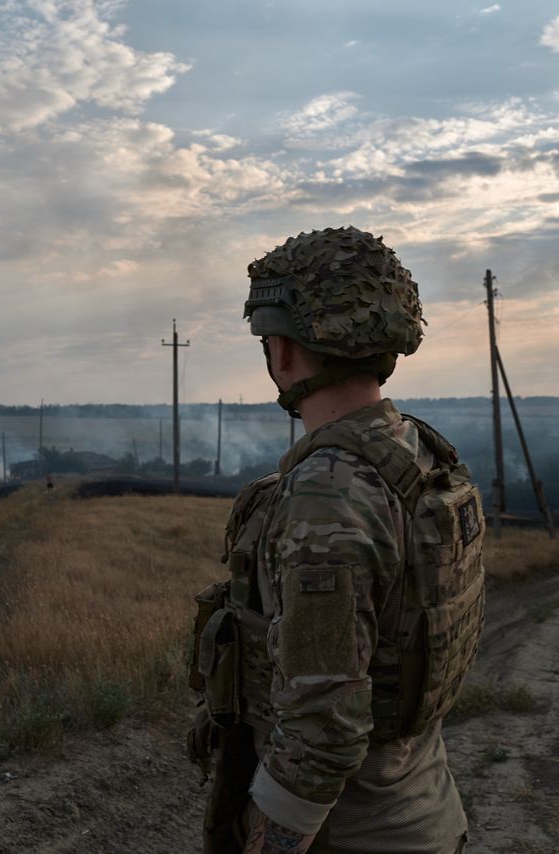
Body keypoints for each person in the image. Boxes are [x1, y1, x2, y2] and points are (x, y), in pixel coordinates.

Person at [188, 227, 487, 854]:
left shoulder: (328, 491)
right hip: (426, 813)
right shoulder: (417, 452)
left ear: (285, 352)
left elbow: (323, 733)